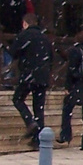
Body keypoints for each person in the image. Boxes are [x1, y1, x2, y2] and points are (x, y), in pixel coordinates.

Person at [8, 12, 53, 146]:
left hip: (28, 74)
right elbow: (51, 57)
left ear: (25, 24)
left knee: (18, 99)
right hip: (42, 76)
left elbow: (13, 52)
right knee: (39, 107)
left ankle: (30, 122)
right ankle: (38, 139)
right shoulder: (45, 38)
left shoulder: (23, 36)